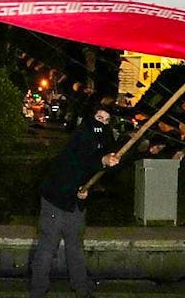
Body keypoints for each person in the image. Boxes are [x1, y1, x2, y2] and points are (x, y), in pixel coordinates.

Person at [30, 108, 120, 298]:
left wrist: (86, 190)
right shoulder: (81, 135)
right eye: (99, 118)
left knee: (75, 248)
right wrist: (102, 160)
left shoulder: (101, 141)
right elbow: (80, 159)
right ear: (90, 118)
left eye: (106, 120)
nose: (102, 123)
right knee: (47, 248)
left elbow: (97, 171)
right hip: (55, 200)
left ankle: (81, 289)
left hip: (75, 205)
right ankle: (38, 291)